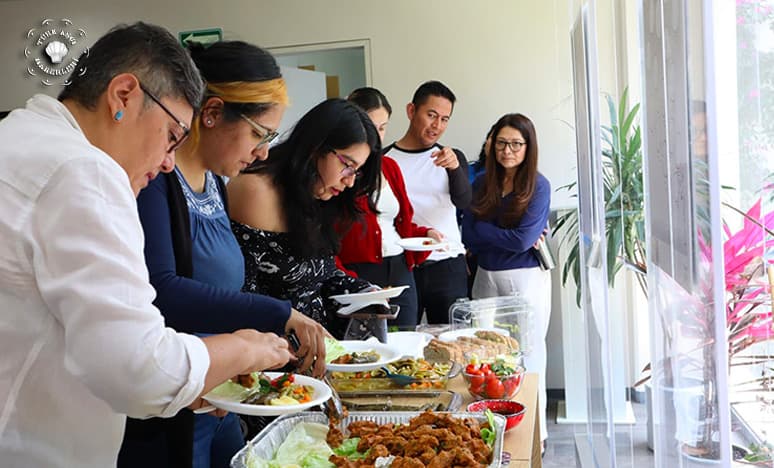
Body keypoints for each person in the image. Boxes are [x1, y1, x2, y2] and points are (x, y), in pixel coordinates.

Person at [0, 22, 294, 468]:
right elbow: (139, 371)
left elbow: (70, 330)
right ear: (123, 96)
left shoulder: (20, 134)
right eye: (173, 135)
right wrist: (245, 350)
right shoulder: (86, 171)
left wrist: (195, 379)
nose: (168, 161)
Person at [119, 41, 328, 468]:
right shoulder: (156, 180)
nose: (264, 152)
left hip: (220, 393)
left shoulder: (214, 181)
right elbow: (163, 291)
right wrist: (279, 313)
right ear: (211, 114)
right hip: (173, 405)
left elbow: (223, 285)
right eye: (259, 134)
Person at [228, 98, 383, 339]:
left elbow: (318, 275)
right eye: (347, 165)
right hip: (272, 356)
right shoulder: (255, 192)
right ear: (316, 147)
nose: (350, 181)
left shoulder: (316, 192)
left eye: (357, 171)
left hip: (320, 350)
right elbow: (242, 296)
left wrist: (364, 292)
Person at [461, 113, 551, 445]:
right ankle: (493, 428)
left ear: (528, 147)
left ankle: (535, 434)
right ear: (492, 145)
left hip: (524, 278)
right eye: (501, 143)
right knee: (484, 353)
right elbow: (468, 236)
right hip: (486, 275)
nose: (507, 150)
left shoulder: (538, 185)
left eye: (515, 143)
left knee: (528, 352)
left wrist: (485, 231)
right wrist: (494, 234)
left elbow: (523, 241)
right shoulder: (480, 182)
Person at [337, 87, 444, 328]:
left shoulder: (390, 167)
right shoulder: (338, 169)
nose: (377, 135)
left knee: (406, 341)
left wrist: (423, 234)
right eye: (369, 126)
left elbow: (396, 223)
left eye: (383, 127)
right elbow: (326, 234)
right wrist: (344, 277)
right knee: (367, 350)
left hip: (398, 268)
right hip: (356, 272)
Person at [385, 80, 471, 324]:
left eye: (445, 119)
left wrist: (454, 168)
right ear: (411, 111)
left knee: (452, 342)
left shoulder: (451, 157)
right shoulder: (385, 160)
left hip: (447, 263)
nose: (437, 125)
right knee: (402, 339)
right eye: (431, 115)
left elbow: (464, 201)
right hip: (402, 264)